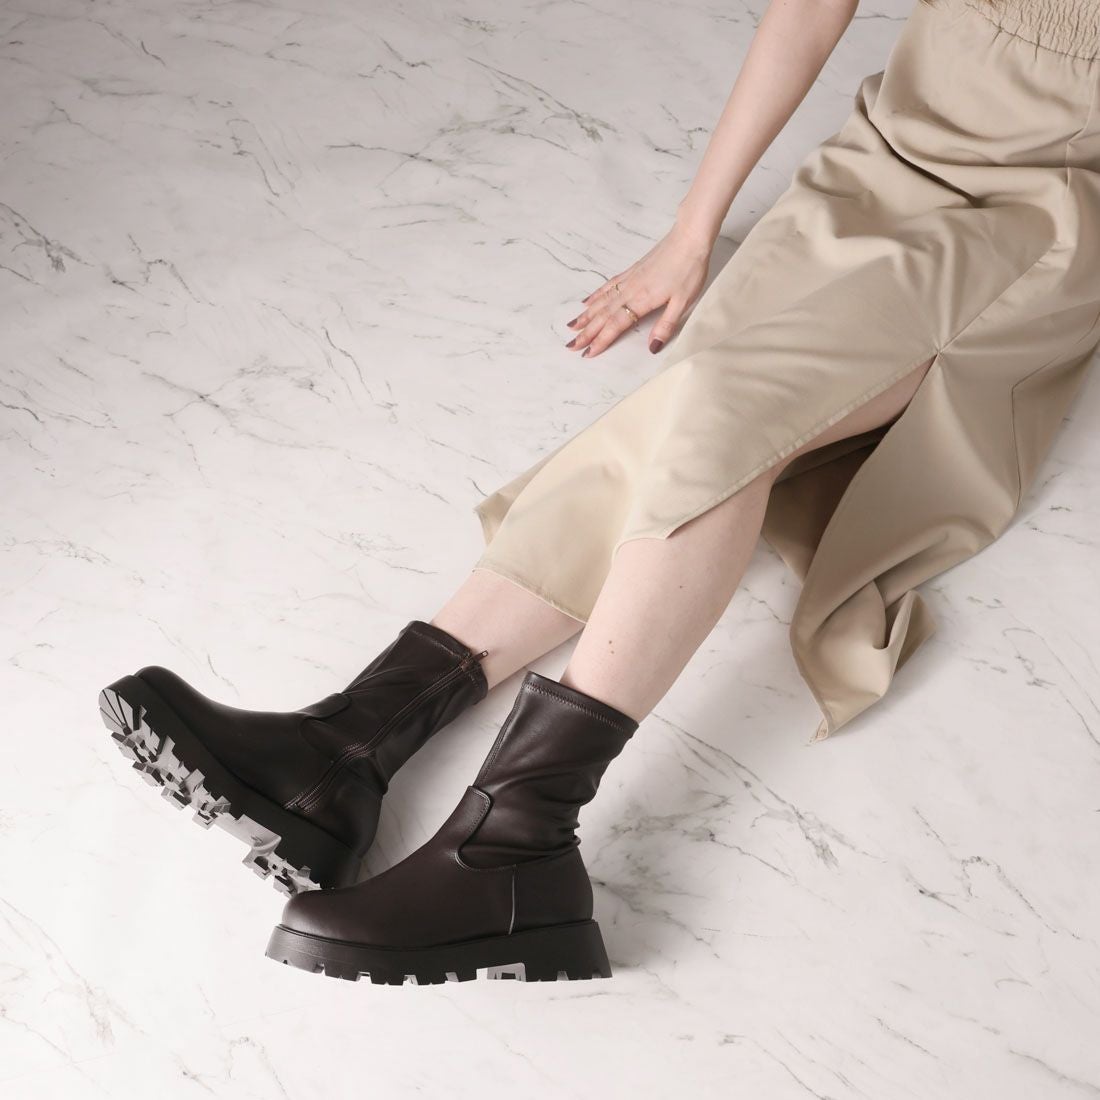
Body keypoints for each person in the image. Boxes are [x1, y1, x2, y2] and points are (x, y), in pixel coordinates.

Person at [99, 0, 1100, 984]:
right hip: (873, 166)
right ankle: (343, 749)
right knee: (678, 414)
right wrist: (691, 230)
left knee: (726, 417)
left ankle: (518, 837)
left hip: (1037, 217)